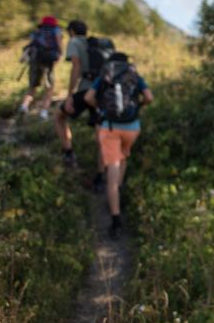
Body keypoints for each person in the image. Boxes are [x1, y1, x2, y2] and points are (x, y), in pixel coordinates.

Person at [84, 52, 152, 239]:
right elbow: (149, 97)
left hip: (110, 127)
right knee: (123, 157)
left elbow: (88, 98)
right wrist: (138, 107)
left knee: (111, 173)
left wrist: (101, 108)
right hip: (132, 128)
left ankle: (115, 219)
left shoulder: (105, 75)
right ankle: (118, 191)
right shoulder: (134, 75)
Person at [55, 20, 113, 169]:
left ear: (72, 31)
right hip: (102, 92)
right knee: (100, 132)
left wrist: (69, 96)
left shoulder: (74, 42)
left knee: (59, 116)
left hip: (85, 90)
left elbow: (76, 67)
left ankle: (68, 152)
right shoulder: (95, 44)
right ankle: (101, 176)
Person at [18, 15, 62, 120]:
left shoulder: (37, 33)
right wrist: (59, 55)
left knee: (33, 86)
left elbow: (31, 45)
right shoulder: (56, 30)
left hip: (35, 61)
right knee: (49, 88)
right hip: (48, 61)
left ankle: (24, 106)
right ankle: (44, 112)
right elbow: (59, 44)